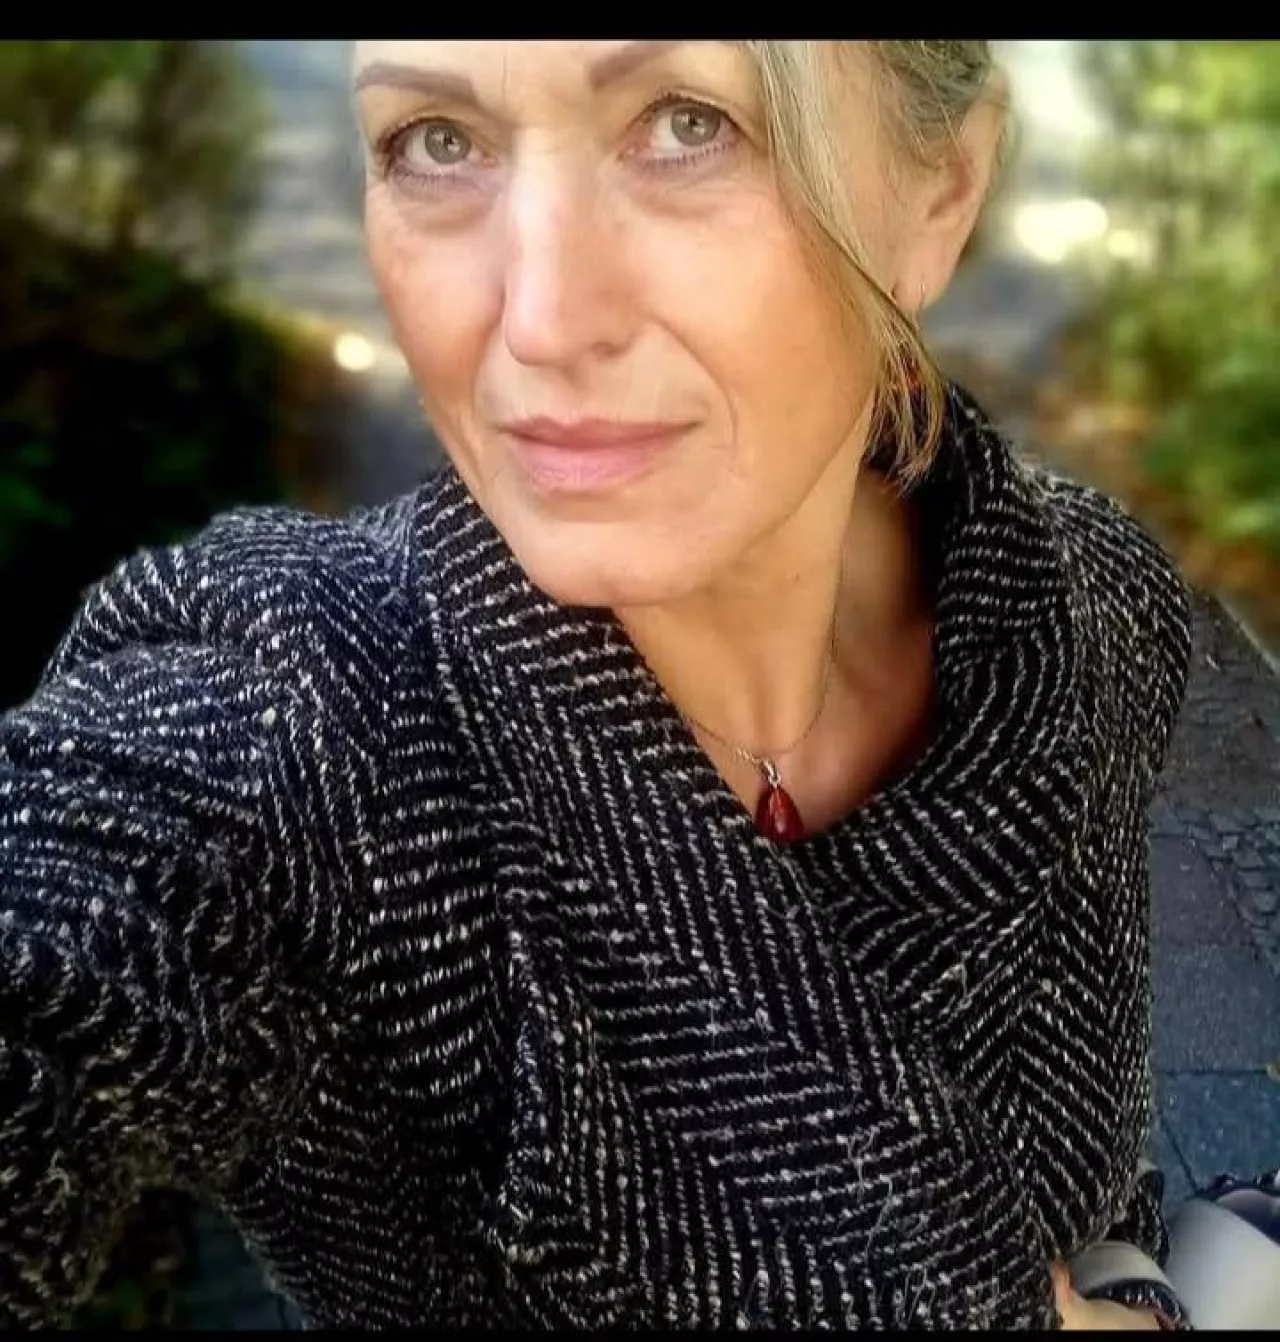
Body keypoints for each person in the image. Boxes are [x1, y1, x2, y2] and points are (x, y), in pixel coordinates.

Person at [0, 40, 1193, 1329]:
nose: (542, 319)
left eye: (687, 124)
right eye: (436, 142)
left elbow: (1088, 1162)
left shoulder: (1095, 609)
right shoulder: (314, 732)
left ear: (942, 190)